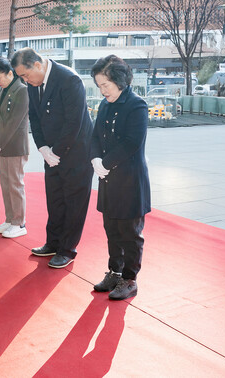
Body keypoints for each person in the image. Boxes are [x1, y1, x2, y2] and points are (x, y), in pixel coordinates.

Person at [12, 48, 93, 269]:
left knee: (73, 202)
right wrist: (43, 148)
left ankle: (67, 249)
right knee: (55, 198)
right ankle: (53, 243)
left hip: (76, 151)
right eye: (22, 77)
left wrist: (56, 151)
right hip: (51, 153)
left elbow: (74, 122)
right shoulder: (33, 83)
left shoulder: (69, 79)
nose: (25, 80)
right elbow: (34, 117)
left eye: (26, 75)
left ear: (37, 65)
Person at [90, 55, 151, 301]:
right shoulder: (105, 105)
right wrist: (95, 158)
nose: (102, 90)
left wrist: (104, 163)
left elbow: (131, 143)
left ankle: (129, 278)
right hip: (108, 180)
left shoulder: (136, 105)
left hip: (130, 181)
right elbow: (95, 136)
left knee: (130, 233)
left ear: (120, 80)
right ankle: (114, 272)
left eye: (106, 85)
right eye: (99, 86)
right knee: (112, 229)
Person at [0, 56, 29, 239]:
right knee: (5, 184)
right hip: (2, 145)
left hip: (15, 145)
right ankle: (10, 219)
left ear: (10, 73)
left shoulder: (22, 90)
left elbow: (15, 122)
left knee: (15, 184)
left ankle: (19, 223)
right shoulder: (2, 89)